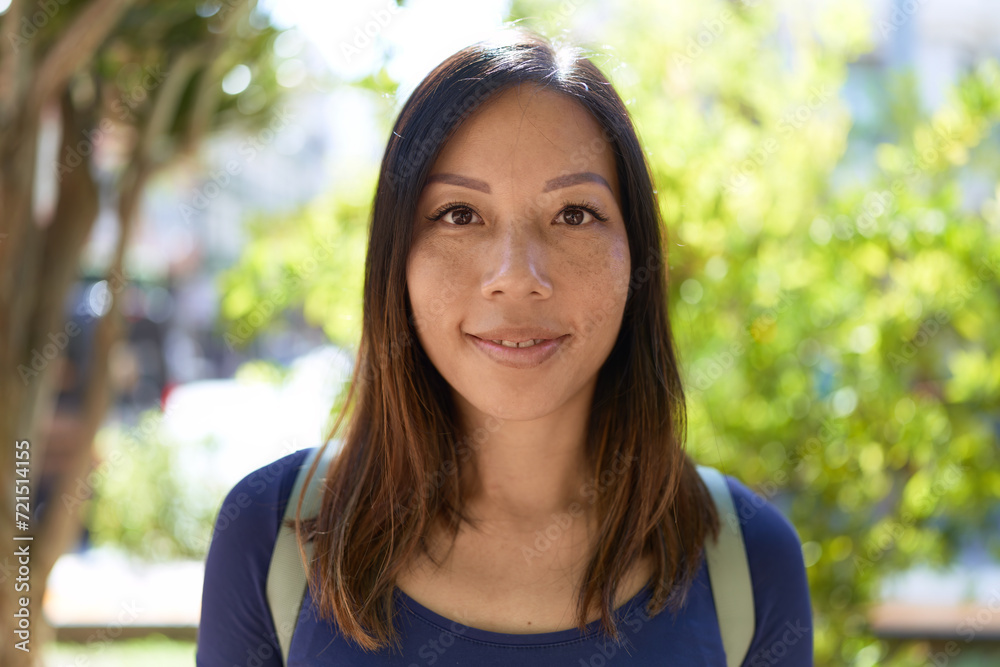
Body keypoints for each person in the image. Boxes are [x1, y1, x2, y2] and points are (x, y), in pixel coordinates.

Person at [196, 28, 812, 666]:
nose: (517, 275)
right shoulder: (270, 535)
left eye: (574, 214)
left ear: (636, 257)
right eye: (460, 214)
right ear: (396, 260)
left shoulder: (747, 558)